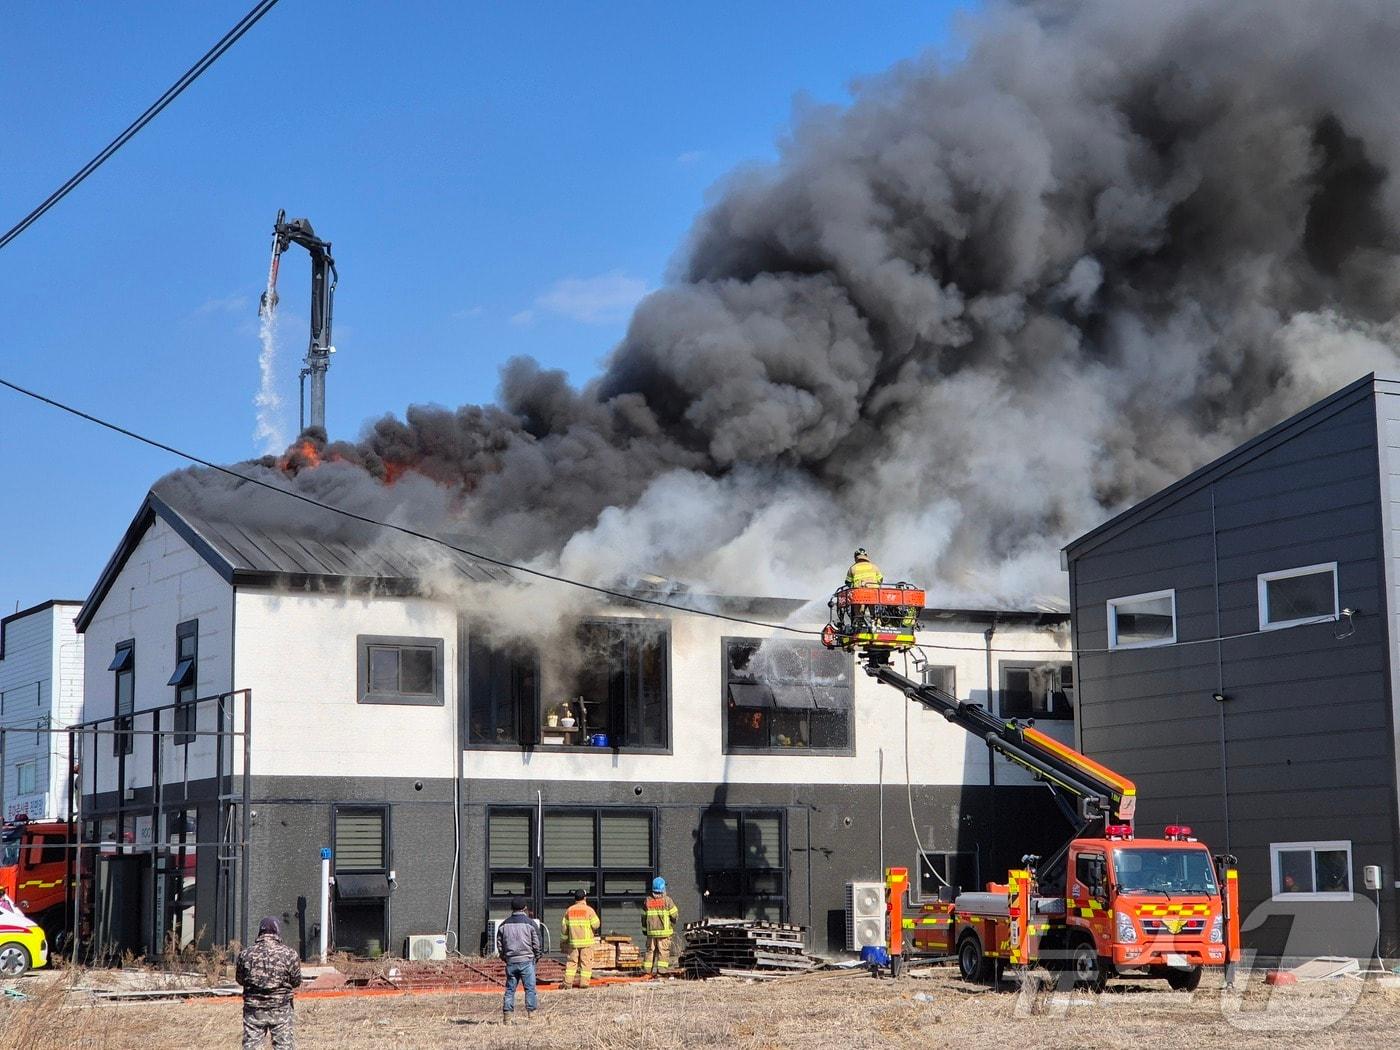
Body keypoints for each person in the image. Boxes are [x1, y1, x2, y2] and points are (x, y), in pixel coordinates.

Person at [236, 916, 303, 1050]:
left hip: (253, 1009)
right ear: (277, 932)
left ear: (260, 932)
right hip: (281, 1008)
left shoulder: (245, 954)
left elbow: (240, 979)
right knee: (284, 1046)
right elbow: (296, 981)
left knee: (251, 1046)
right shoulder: (289, 954)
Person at [497, 895, 542, 1024]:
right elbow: (537, 943)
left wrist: (504, 957)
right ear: (525, 908)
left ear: (511, 908)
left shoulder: (503, 925)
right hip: (527, 960)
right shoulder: (530, 923)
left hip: (511, 961)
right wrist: (537, 956)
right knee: (530, 989)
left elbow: (499, 944)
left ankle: (507, 1016)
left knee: (510, 989)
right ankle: (532, 1016)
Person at [561, 889, 601, 988]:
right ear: (585, 898)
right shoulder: (589, 910)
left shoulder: (569, 910)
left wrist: (564, 941)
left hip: (573, 942)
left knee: (571, 963)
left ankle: (567, 983)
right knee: (586, 963)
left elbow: (564, 928)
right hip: (586, 943)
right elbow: (596, 925)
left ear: (575, 899)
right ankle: (584, 984)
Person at [642, 877, 680, 977]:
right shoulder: (668, 901)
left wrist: (645, 930)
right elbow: (675, 915)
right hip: (664, 933)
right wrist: (673, 921)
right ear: (663, 888)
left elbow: (643, 917)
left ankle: (646, 972)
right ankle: (661, 972)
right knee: (663, 952)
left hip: (651, 933)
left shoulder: (648, 901)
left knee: (650, 951)